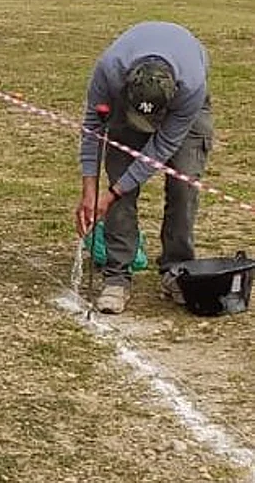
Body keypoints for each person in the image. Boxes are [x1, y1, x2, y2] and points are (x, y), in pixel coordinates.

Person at [76, 21, 213, 314]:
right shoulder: (109, 71)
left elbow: (160, 149)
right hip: (124, 105)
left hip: (185, 111)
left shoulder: (191, 86)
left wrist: (111, 193)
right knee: (119, 177)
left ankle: (176, 270)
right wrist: (90, 191)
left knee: (183, 184)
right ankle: (117, 277)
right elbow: (92, 129)